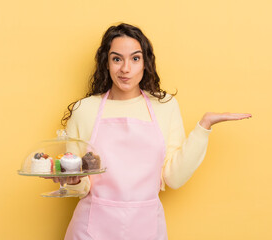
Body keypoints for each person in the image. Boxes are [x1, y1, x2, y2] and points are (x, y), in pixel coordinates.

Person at [50, 23, 252, 240]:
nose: (126, 69)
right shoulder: (85, 109)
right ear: (106, 64)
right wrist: (72, 180)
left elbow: (173, 178)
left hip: (145, 229)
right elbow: (81, 186)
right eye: (117, 59)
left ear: (145, 63)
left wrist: (204, 127)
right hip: (91, 230)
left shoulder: (165, 106)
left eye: (135, 58)